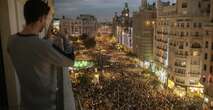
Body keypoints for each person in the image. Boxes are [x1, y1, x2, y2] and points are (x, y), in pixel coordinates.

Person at [7, 0, 75, 110]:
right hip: (45, 106)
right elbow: (70, 60)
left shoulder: (11, 41)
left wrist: (45, 40)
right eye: (46, 19)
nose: (45, 23)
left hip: (25, 104)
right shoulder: (44, 46)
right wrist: (65, 38)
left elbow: (30, 51)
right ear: (41, 18)